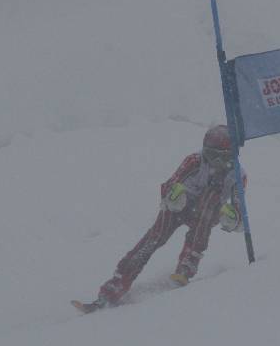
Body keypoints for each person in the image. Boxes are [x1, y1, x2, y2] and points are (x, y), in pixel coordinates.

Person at [73, 125, 247, 312]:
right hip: (180, 206)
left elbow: (240, 212)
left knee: (210, 198)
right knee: (153, 238)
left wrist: (233, 218)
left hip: (207, 212)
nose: (216, 163)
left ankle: (187, 265)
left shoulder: (237, 175)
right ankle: (113, 288)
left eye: (223, 157)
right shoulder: (195, 161)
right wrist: (173, 195)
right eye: (212, 156)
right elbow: (170, 184)